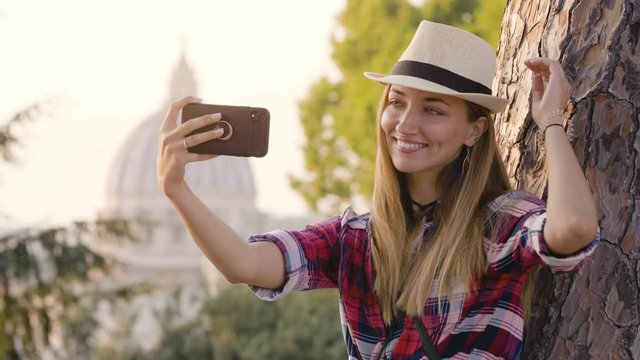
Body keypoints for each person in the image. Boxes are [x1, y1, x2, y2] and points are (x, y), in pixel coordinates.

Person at [157, 20, 600, 359]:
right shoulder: (354, 238)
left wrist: (552, 123)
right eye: (396, 102)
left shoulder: (499, 224)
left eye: (433, 109)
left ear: (474, 131)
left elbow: (575, 226)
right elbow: (243, 264)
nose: (406, 124)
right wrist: (176, 188)